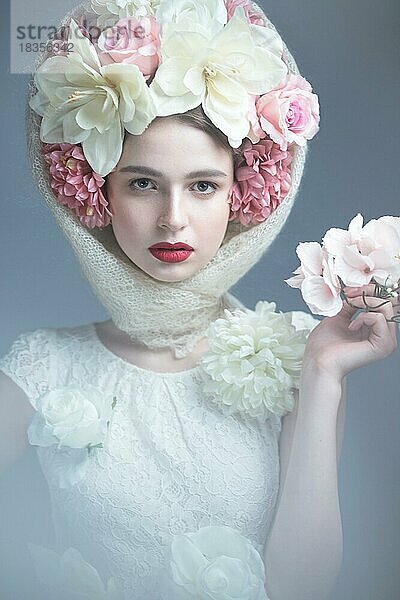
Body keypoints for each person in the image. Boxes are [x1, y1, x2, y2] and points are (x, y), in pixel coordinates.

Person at [0, 1, 398, 599]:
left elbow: (302, 589)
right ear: (93, 192)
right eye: (142, 183)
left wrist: (323, 376)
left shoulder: (297, 359)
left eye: (203, 186)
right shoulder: (39, 366)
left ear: (243, 195)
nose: (173, 220)